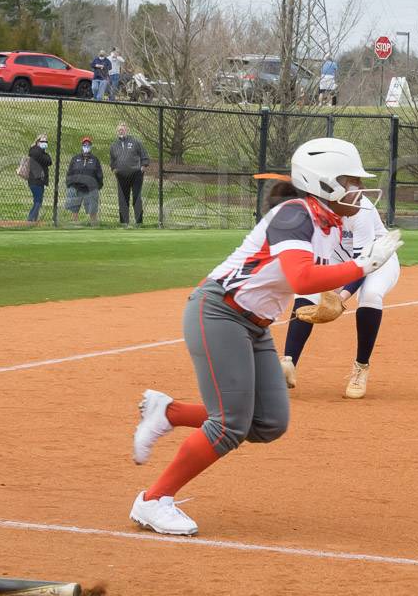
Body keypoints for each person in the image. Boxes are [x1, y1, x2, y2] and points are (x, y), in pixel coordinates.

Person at [128, 137, 403, 535]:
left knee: (269, 422)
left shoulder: (328, 225)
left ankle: (168, 412)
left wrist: (342, 295)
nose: (358, 189)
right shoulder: (294, 214)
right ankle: (153, 500)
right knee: (229, 426)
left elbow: (312, 280)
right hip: (219, 311)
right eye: (350, 180)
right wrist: (362, 265)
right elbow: (301, 276)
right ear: (325, 183)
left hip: (253, 324)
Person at [281, 192, 400, 398]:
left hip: (378, 258)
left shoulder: (359, 208)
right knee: (306, 292)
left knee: (370, 295)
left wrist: (341, 296)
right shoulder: (313, 210)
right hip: (338, 258)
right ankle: (287, 364)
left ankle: (361, 367)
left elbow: (364, 261)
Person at [110, 123, 149, 226]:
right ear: (117, 132)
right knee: (123, 199)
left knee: (136, 197)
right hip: (122, 176)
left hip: (136, 174)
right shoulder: (114, 145)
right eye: (119, 130)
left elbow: (144, 155)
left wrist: (143, 166)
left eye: (122, 129)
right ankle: (124, 223)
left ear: (127, 130)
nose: (121, 131)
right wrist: (114, 169)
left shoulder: (135, 141)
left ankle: (139, 222)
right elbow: (112, 160)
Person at [65, 135, 103, 224]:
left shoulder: (95, 160)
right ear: (82, 146)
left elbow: (99, 174)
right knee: (74, 208)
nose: (86, 146)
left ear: (91, 146)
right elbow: (70, 173)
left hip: (90, 188)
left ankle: (93, 224)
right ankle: (75, 224)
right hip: (76, 187)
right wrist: (69, 184)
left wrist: (98, 185)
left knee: (92, 209)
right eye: (84, 145)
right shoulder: (75, 159)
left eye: (88, 145)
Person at [26, 134, 52, 224]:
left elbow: (49, 161)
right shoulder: (35, 151)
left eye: (46, 141)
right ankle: (30, 219)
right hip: (35, 180)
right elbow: (47, 160)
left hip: (39, 181)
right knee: (38, 201)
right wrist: (44, 154)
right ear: (37, 142)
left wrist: (45, 155)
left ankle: (34, 220)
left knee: (37, 200)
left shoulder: (41, 152)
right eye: (42, 141)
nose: (44, 143)